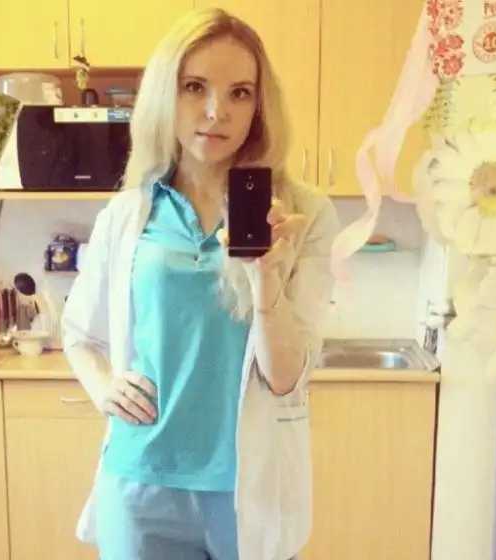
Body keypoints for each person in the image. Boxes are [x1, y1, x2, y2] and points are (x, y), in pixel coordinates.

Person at [61, 7, 339, 560]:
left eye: (240, 93)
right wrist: (102, 387)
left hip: (247, 488)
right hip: (140, 483)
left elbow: (286, 377)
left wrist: (266, 282)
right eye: (195, 87)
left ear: (260, 105)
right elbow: (79, 334)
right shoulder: (128, 214)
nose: (217, 112)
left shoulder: (301, 215)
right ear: (166, 94)